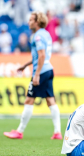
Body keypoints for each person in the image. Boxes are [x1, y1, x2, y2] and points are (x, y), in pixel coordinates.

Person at [3, 12, 62, 140]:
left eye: (31, 20)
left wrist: (36, 75)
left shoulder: (37, 36)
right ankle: (57, 132)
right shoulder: (46, 34)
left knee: (29, 100)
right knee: (50, 100)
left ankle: (19, 131)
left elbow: (41, 56)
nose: (29, 22)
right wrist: (25, 65)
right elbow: (40, 56)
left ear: (37, 21)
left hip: (41, 72)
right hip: (49, 69)